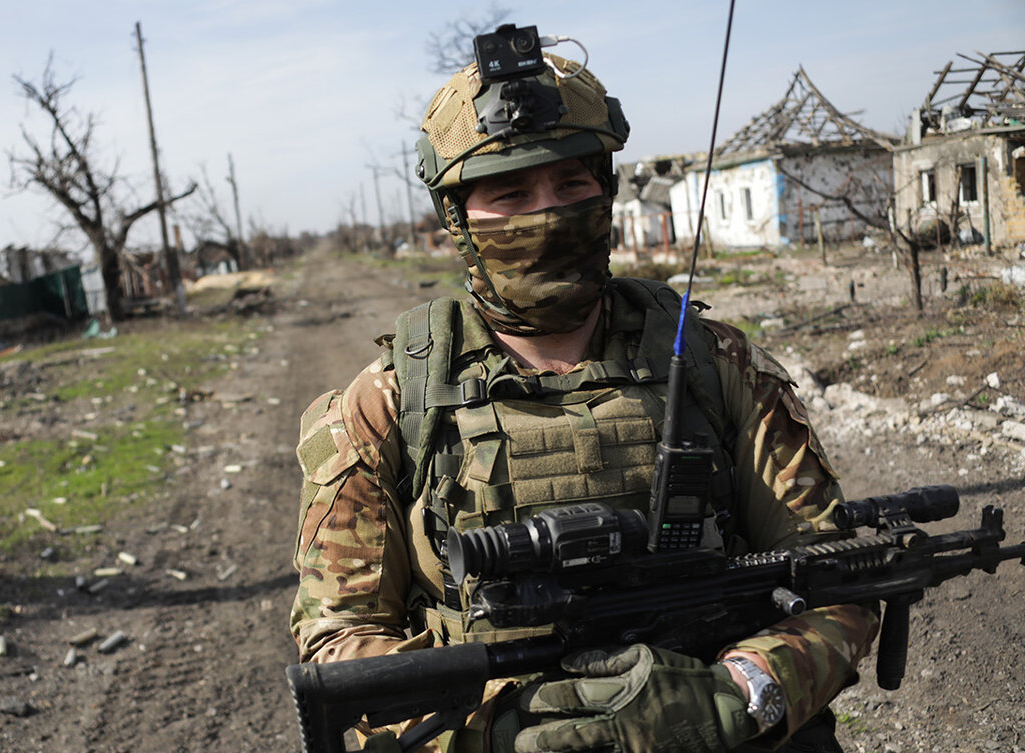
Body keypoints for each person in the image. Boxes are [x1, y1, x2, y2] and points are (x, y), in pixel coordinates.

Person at [291, 28, 878, 753]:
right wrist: (493, 734)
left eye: (572, 183)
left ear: (605, 189)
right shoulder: (384, 405)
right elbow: (339, 643)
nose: (549, 211)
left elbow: (835, 577)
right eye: (511, 192)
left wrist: (746, 691)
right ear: (458, 219)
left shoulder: (708, 361)